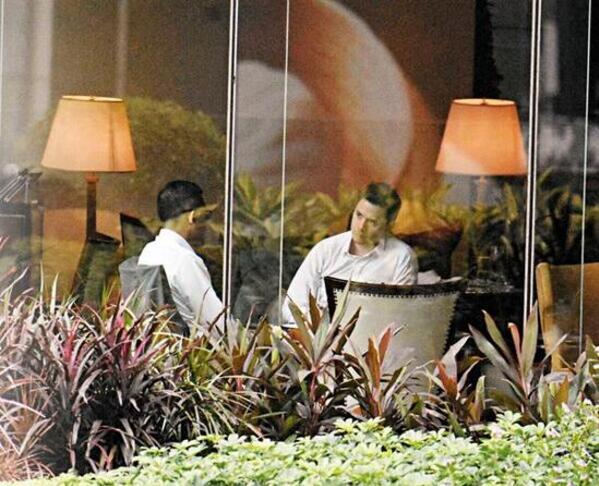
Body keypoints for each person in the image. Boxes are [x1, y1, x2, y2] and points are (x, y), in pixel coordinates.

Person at [283, 182, 418, 322]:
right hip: (318, 332)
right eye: (359, 215)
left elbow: (399, 316)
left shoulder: (402, 257)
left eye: (372, 222)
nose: (361, 227)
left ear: (389, 224)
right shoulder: (325, 249)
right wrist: (316, 326)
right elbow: (292, 305)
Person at [138, 180, 224, 330]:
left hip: (155, 342)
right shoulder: (185, 260)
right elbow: (216, 324)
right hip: (191, 344)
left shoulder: (149, 251)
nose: (207, 225)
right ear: (192, 217)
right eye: (205, 217)